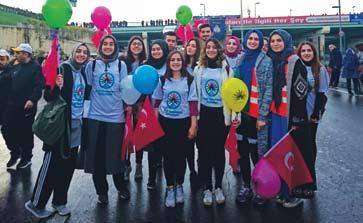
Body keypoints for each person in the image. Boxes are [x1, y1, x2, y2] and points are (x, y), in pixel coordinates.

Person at [25, 43, 90, 219]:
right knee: (51, 165)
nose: (82, 54)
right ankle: (36, 203)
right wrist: (55, 86)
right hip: (60, 126)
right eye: (79, 51)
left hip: (76, 127)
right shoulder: (64, 68)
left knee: (67, 168)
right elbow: (48, 97)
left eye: (85, 52)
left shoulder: (82, 71)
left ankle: (59, 202)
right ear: (73, 52)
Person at [267, 30, 312, 208]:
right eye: (273, 40)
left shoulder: (295, 61)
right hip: (275, 115)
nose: (276, 43)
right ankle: (282, 190)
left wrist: (297, 120)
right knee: (279, 154)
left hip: (289, 117)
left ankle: (293, 194)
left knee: (290, 157)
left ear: (286, 41)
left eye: (279, 40)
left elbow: (301, 92)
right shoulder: (271, 60)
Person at [83, 35, 130, 204]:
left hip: (116, 117)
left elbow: (125, 88)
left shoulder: (121, 65)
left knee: (117, 157)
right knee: (97, 158)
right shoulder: (92, 65)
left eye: (111, 44)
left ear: (115, 47)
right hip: (95, 117)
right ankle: (101, 192)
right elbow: (88, 87)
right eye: (105, 44)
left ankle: (122, 187)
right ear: (100, 46)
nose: (108, 47)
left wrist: (129, 105)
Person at [152, 51, 198, 207]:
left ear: (182, 62)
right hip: (166, 123)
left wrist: (193, 125)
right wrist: (155, 124)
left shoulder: (190, 80)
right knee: (168, 158)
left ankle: (179, 185)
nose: (176, 62)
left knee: (180, 157)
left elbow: (193, 104)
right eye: (173, 60)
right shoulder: (162, 80)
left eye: (179, 59)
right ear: (168, 62)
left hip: (183, 123)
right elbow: (157, 102)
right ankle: (170, 187)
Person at [233, 29, 273, 206]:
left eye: (256, 39)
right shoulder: (241, 59)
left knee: (258, 153)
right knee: (242, 152)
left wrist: (262, 116)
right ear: (246, 40)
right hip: (242, 113)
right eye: (250, 38)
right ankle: (246, 186)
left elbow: (269, 90)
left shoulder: (266, 61)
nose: (253, 41)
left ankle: (260, 187)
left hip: (257, 115)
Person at [193, 38, 233, 206]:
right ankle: (207, 188)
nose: (210, 50)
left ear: (219, 49)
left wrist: (234, 115)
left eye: (214, 47)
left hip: (220, 115)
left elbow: (233, 94)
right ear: (205, 50)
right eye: (208, 47)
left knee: (218, 152)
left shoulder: (227, 69)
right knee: (205, 153)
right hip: (204, 115)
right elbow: (194, 94)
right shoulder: (198, 69)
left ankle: (218, 187)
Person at [1, 43, 44, 169]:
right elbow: (5, 78)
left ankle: (26, 157)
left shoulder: (35, 67)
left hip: (26, 106)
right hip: (12, 104)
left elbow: (38, 85)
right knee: (6, 128)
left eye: (18, 53)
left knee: (25, 132)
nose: (16, 55)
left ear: (26, 54)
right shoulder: (14, 65)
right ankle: (15, 152)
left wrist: (32, 99)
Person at [296, 41, 329, 197]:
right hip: (297, 116)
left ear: (314, 53)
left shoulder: (320, 69)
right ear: (299, 53)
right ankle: (298, 181)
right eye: (303, 51)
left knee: (309, 148)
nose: (306, 53)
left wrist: (316, 114)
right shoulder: (296, 68)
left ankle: (310, 182)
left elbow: (322, 94)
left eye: (309, 50)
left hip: (311, 116)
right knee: (298, 149)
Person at [144, 39, 169, 190]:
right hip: (150, 111)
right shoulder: (146, 66)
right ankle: (151, 177)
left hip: (168, 112)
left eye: (159, 49)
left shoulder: (170, 64)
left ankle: (169, 180)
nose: (156, 52)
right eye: (153, 49)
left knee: (165, 147)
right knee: (152, 148)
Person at [120, 36, 147, 181]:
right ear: (130, 46)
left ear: (142, 47)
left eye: (139, 44)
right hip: (125, 104)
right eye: (134, 44)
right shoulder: (123, 62)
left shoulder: (146, 63)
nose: (136, 46)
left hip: (140, 104)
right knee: (126, 135)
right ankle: (126, 164)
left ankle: (138, 165)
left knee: (139, 136)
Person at [0, 49, 11, 125]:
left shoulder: (12, 71)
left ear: (8, 60)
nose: (0, 62)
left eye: (2, 59)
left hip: (5, 106)